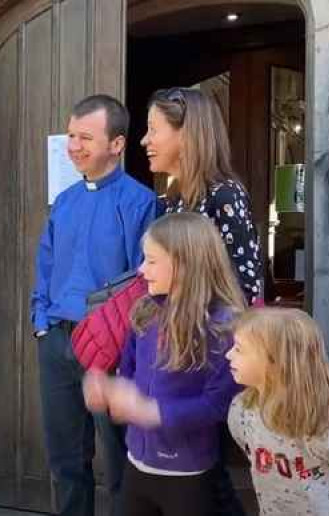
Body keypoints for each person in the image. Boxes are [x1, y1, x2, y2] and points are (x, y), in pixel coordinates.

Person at [72, 87, 262, 515]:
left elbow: (243, 293)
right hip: (164, 360)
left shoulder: (224, 196)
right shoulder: (170, 199)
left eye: (153, 129)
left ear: (187, 134)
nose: (144, 140)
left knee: (203, 484)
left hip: (197, 371)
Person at [31, 95, 157, 516]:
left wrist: (126, 343)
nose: (74, 146)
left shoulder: (140, 202)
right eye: (71, 136)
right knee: (65, 460)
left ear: (117, 144)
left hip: (112, 349)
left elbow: (145, 281)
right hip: (57, 343)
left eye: (86, 137)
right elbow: (45, 265)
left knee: (122, 460)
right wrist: (41, 324)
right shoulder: (64, 201)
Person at [83, 212, 245, 516]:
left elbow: (219, 405)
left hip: (188, 477)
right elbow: (128, 374)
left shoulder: (223, 327)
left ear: (186, 264)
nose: (141, 270)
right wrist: (109, 390)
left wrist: (154, 412)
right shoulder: (144, 311)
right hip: (137, 466)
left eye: (152, 261)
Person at [226, 308, 329, 515]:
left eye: (239, 349)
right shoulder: (242, 410)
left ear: (275, 362)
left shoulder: (324, 427)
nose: (228, 355)